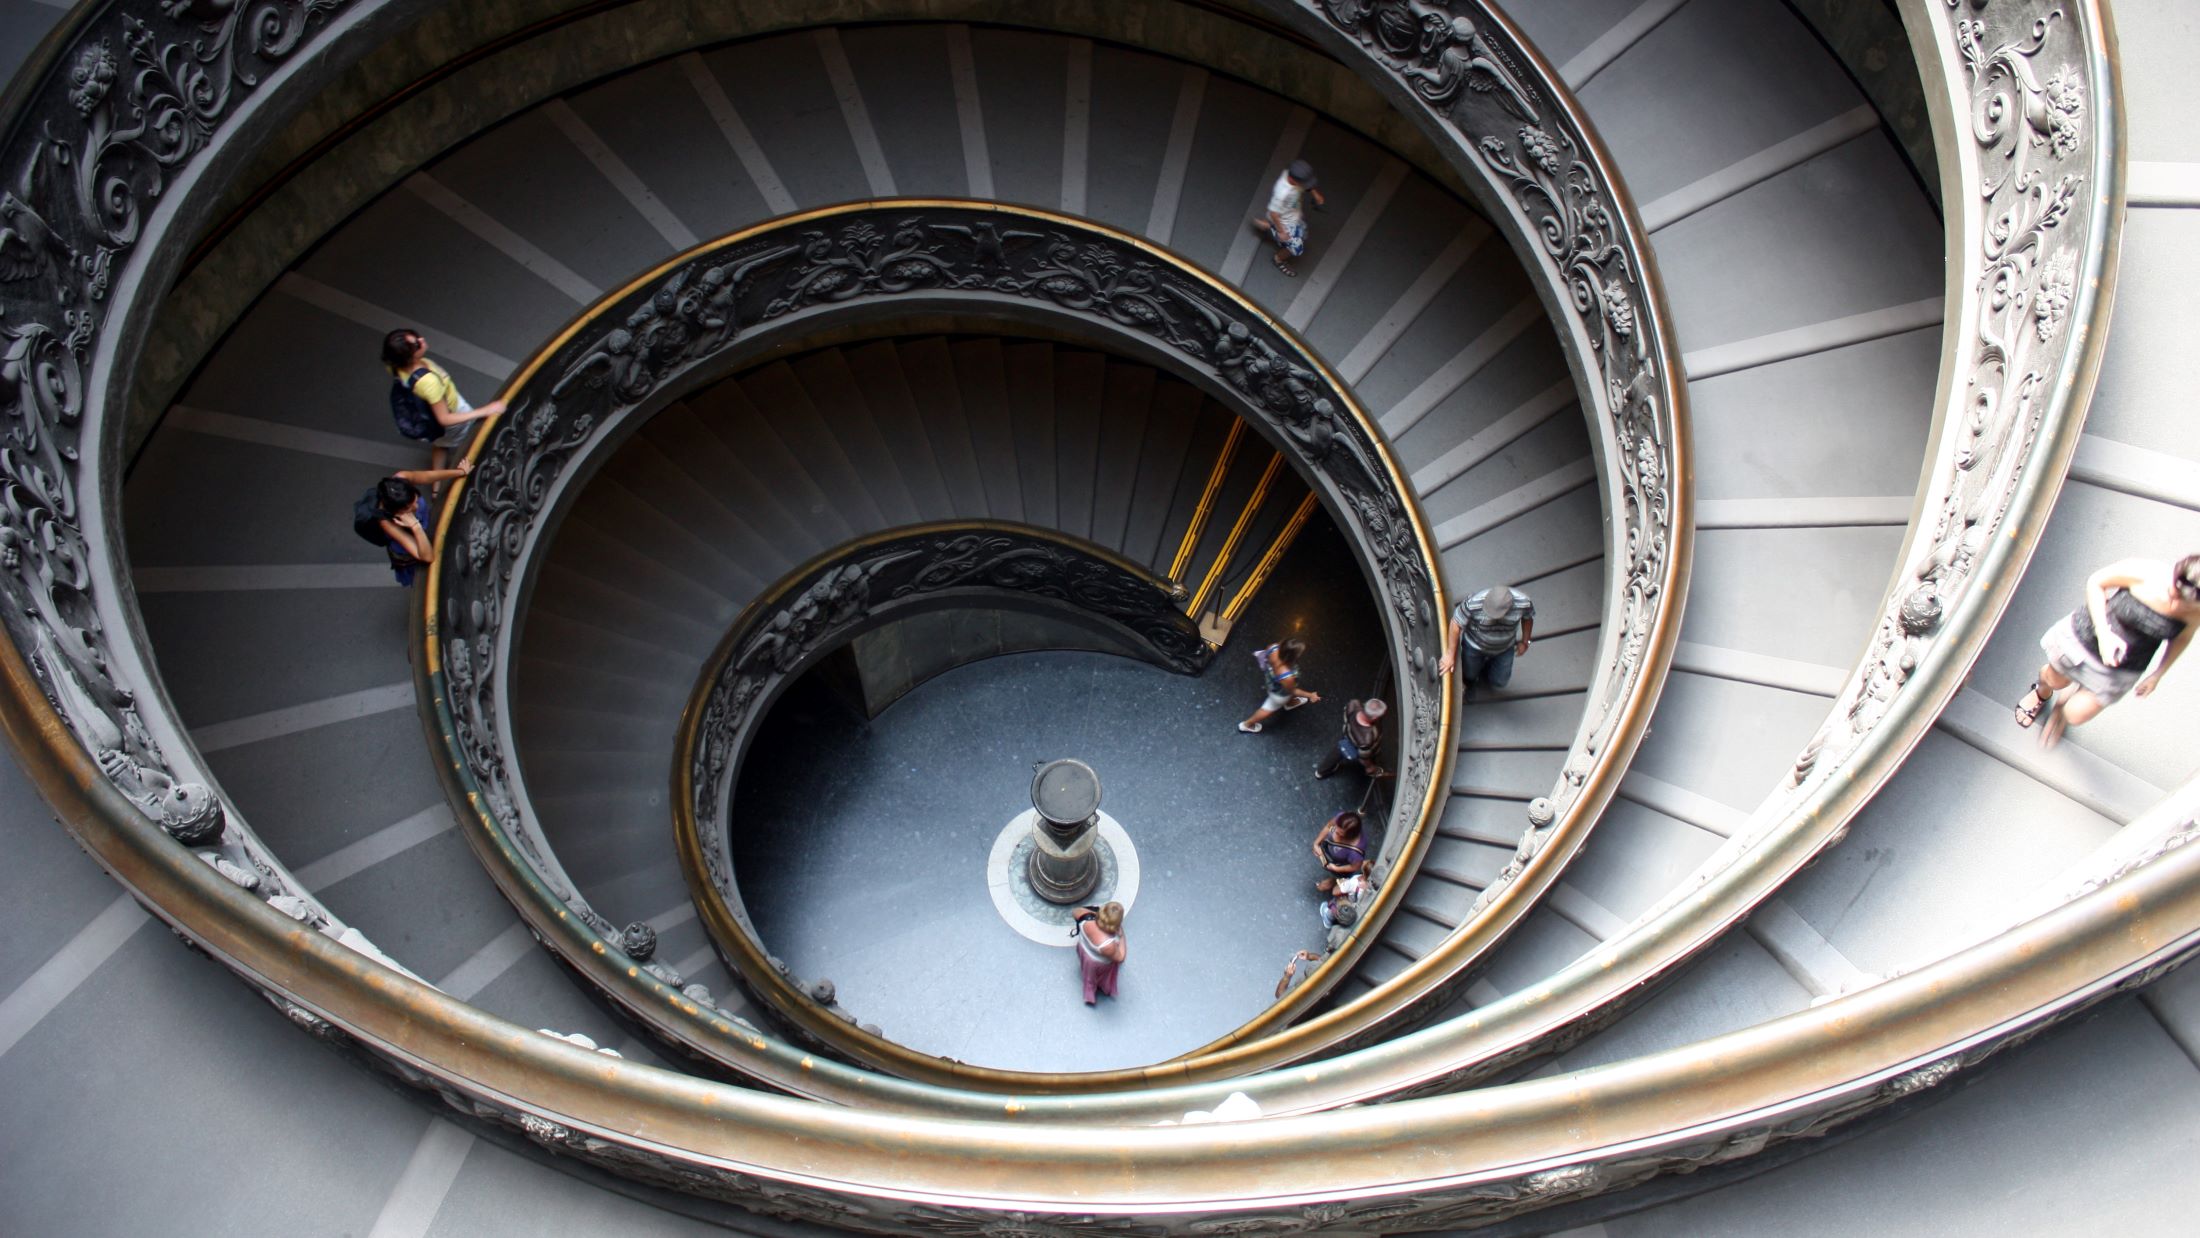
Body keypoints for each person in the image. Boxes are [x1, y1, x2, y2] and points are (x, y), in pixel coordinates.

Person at [2016, 556, 2200, 747]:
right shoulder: (2145, 572)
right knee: (2053, 680)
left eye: (2186, 604)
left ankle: (2065, 703)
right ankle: (2041, 692)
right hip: (2086, 638)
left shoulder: (2197, 610)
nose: (2176, 606)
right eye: (2175, 594)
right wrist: (2104, 634)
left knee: (2076, 715)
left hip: (2124, 664)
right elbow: (2096, 582)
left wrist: (2157, 675)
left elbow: (2182, 637)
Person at [382, 328, 505, 470]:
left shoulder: (396, 367)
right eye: (416, 344)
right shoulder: (428, 382)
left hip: (431, 415)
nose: (421, 340)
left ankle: (436, 486)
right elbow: (444, 418)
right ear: (410, 356)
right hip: (452, 414)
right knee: (474, 439)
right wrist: (484, 411)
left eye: (416, 337)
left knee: (442, 443)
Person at [352, 463, 471, 586]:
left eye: (416, 500)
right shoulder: (386, 523)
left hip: (428, 528)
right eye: (410, 508)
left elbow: (427, 476)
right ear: (396, 512)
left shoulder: (401, 478)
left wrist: (459, 472)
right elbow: (427, 557)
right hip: (411, 548)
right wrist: (415, 526)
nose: (417, 506)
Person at [1440, 583, 1535, 696]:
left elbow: (1528, 618)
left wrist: (1525, 641)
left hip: (1504, 647)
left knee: (1500, 681)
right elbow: (1456, 623)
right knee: (1469, 674)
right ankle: (1472, 680)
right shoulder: (1474, 602)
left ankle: (1485, 670)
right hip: (1475, 645)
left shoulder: (1523, 602)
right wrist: (1450, 655)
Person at [1250, 158, 1326, 277]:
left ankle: (1264, 225)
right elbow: (1274, 212)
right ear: (1292, 180)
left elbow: (1305, 185)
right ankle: (1278, 259)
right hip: (1285, 223)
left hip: (1292, 214)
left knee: (1300, 229)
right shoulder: (1282, 192)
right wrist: (1282, 231)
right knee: (1296, 247)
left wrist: (1315, 194)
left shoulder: (1292, 175)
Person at [1239, 638, 1320, 733]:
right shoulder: (1287, 676)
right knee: (1268, 709)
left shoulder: (1273, 647)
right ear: (1292, 657)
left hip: (1271, 682)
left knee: (1286, 696)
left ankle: (1290, 703)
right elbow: (1292, 691)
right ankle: (1247, 725)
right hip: (1279, 695)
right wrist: (1310, 695)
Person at [1315, 697, 1388, 780]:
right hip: (1356, 744)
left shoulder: (1353, 704)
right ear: (1375, 718)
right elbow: (1363, 756)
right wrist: (1369, 767)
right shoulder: (1367, 738)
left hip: (1348, 733)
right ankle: (1322, 771)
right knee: (1344, 749)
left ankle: (1321, 771)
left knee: (1336, 752)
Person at [1072, 901, 1126, 1006]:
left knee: (1088, 977)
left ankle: (1089, 994)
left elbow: (1075, 912)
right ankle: (1105, 987)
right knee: (1104, 977)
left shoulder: (1085, 918)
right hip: (1099, 963)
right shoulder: (1108, 945)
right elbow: (1120, 957)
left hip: (1084, 952)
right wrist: (1122, 936)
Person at [1312, 810, 1370, 895]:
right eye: (1335, 829)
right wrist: (1316, 843)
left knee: (1337, 877)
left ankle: (1333, 882)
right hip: (1331, 855)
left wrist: (1336, 868)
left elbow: (1355, 867)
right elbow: (1329, 826)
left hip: (1340, 866)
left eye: (1340, 834)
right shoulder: (1341, 820)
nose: (1334, 833)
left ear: (1349, 837)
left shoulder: (1355, 853)